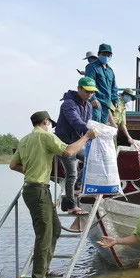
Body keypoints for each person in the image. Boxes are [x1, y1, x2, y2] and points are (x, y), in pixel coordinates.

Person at [10, 111, 97, 278]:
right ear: (45, 121)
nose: (50, 125)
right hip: (38, 191)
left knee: (55, 229)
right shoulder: (46, 136)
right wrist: (87, 137)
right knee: (44, 234)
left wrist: (33, 170)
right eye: (49, 123)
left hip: (35, 189)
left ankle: (45, 268)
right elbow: (68, 152)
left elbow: (13, 165)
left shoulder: (25, 139)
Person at [55, 77, 99, 215]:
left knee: (92, 160)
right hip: (65, 144)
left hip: (77, 142)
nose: (89, 95)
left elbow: (88, 123)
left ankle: (77, 187)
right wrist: (90, 131)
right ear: (79, 88)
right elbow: (77, 122)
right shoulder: (68, 104)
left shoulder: (89, 105)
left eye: (92, 92)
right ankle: (71, 206)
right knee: (72, 174)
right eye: (87, 91)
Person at [85, 43, 119, 124]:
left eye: (109, 54)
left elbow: (113, 87)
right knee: (94, 126)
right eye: (104, 54)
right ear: (98, 54)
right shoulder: (91, 67)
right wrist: (93, 99)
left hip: (106, 104)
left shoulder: (110, 71)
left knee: (102, 128)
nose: (106, 56)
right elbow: (89, 84)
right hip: (96, 102)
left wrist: (115, 100)